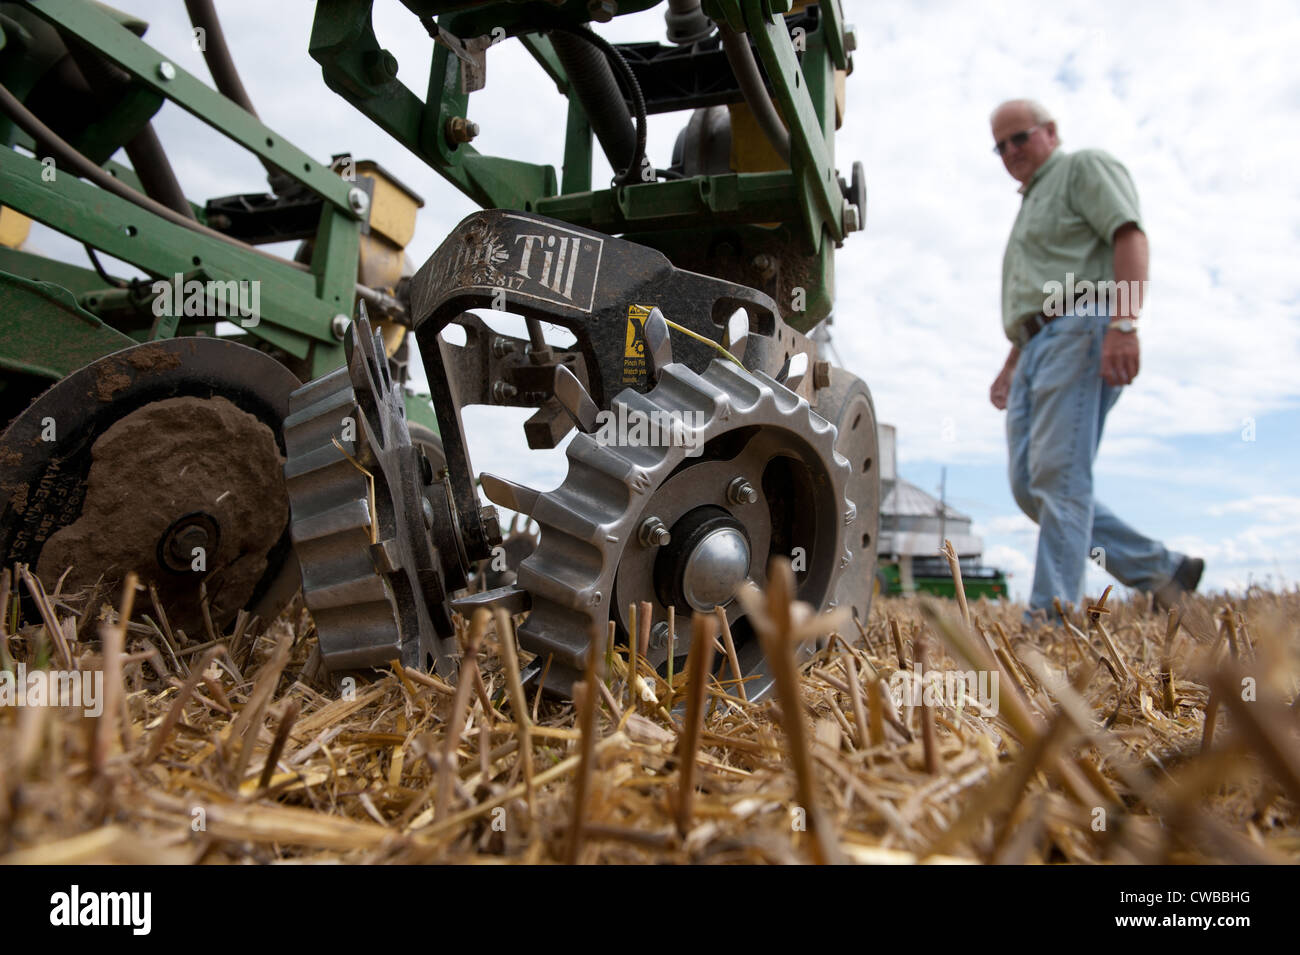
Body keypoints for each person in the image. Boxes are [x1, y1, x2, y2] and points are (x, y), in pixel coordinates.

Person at [986, 98, 1202, 619]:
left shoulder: (1083, 167)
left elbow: (1129, 234)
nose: (1011, 150)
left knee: (1059, 478)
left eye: (1020, 137)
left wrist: (1125, 324)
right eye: (1001, 145)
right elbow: (1039, 293)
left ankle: (1052, 616)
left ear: (1051, 132)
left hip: (1082, 327)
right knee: (1029, 487)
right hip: (1035, 343)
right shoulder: (1029, 203)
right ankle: (1162, 572)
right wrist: (1012, 362)